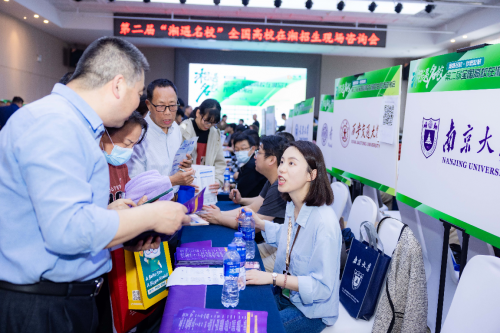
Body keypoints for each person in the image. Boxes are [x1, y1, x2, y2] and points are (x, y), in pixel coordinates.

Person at [0, 36, 190, 333]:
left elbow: (67, 216)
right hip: (42, 308)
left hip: (66, 299)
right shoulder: (55, 123)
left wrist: (125, 226)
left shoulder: (72, 124)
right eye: (139, 93)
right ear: (117, 86)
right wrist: (150, 216)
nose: (137, 105)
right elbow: (68, 230)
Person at [244, 141, 341, 332]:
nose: (281, 169)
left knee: (257, 328)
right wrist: (261, 224)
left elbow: (322, 288)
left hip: (310, 311)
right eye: (282, 162)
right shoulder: (292, 205)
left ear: (311, 174)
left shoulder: (324, 223)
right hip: (285, 295)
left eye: (291, 163)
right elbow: (290, 238)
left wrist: (272, 277)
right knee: (245, 309)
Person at [202, 135, 289, 271]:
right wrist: (220, 214)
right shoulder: (272, 180)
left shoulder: (280, 185)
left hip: (283, 250)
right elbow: (255, 206)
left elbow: (255, 225)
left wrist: (219, 218)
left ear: (272, 159)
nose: (255, 156)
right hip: (274, 244)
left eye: (259, 152)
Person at [127, 79, 195, 188]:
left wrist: (184, 166)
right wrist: (172, 181)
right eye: (161, 106)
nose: (168, 112)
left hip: (176, 200)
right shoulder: (138, 135)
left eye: (172, 105)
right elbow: (135, 184)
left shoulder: (176, 128)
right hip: (152, 203)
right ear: (149, 105)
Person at [179, 99, 225, 192]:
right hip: (185, 185)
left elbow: (219, 162)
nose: (208, 125)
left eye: (213, 123)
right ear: (198, 113)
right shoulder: (183, 130)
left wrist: (217, 181)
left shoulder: (215, 133)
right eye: (206, 121)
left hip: (206, 187)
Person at [232, 133, 267, 197]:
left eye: (243, 148)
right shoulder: (247, 163)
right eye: (237, 149)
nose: (240, 152)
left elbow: (241, 191)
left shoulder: (252, 166)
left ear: (253, 149)